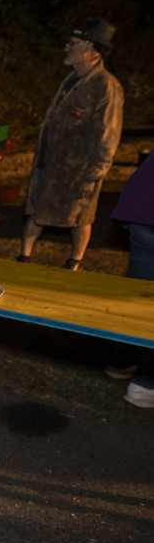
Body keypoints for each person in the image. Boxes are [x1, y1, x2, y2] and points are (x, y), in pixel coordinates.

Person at [19, 18, 124, 270]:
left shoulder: (106, 86)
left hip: (79, 169)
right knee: (37, 210)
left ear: (90, 47)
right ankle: (23, 257)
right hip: (52, 164)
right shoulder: (71, 80)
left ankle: (75, 261)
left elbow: (108, 135)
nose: (67, 47)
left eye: (73, 43)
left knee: (81, 214)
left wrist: (94, 175)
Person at [107, 151, 154, 407]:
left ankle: (121, 360)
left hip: (144, 202)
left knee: (139, 290)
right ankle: (147, 382)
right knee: (146, 297)